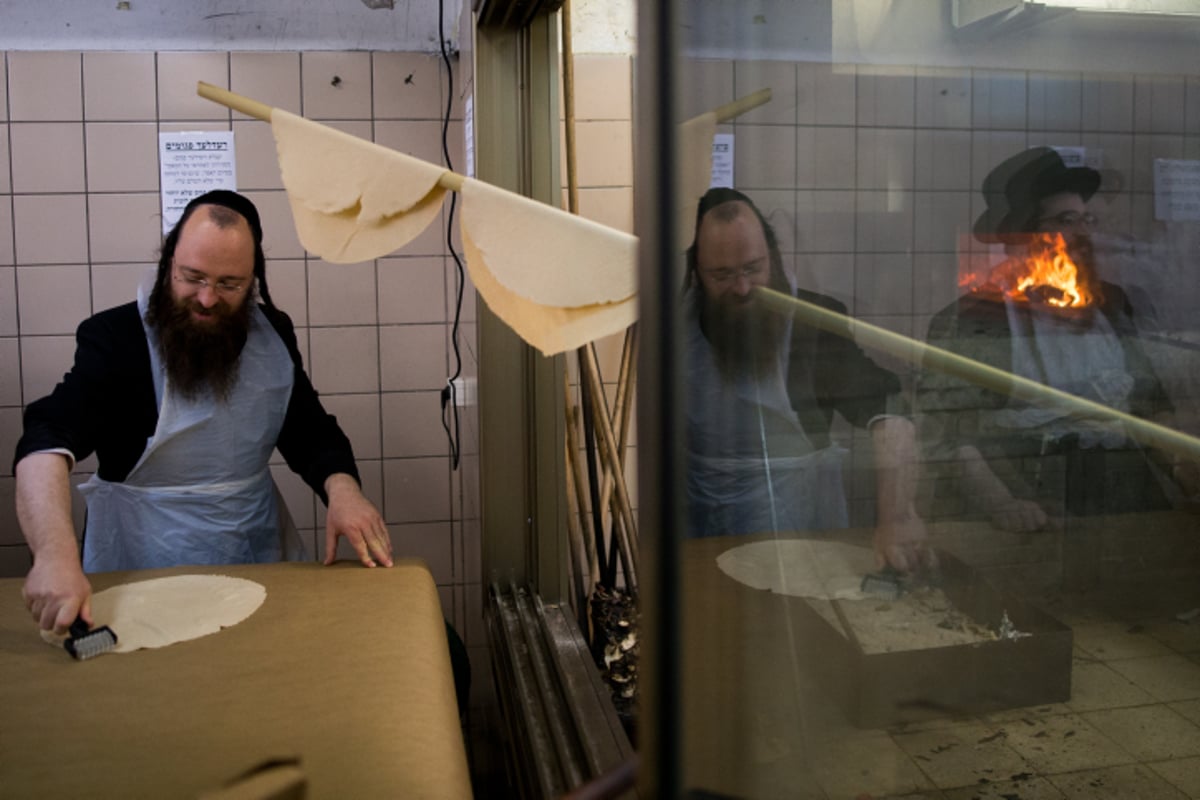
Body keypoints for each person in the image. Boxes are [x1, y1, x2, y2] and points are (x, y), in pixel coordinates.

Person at [15, 190, 394, 636]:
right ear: (167, 264)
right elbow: (45, 439)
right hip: (142, 564)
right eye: (191, 277)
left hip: (256, 554)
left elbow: (308, 432)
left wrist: (343, 490)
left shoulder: (272, 333)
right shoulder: (115, 338)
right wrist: (54, 555)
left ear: (253, 280)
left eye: (229, 285)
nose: (208, 299)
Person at [918, 147, 1182, 531]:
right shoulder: (976, 318)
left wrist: (1182, 465)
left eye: (1087, 219)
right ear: (1024, 234)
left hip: (1127, 498)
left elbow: (1152, 405)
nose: (1083, 233)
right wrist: (1004, 504)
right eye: (1066, 220)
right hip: (1032, 498)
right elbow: (947, 433)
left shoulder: (1115, 305)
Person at [683, 187, 932, 572]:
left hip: (801, 526)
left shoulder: (815, 321)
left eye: (753, 268)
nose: (743, 288)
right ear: (696, 272)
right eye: (722, 275)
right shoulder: (676, 326)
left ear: (774, 258)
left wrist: (897, 516)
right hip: (701, 527)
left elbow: (890, 413)